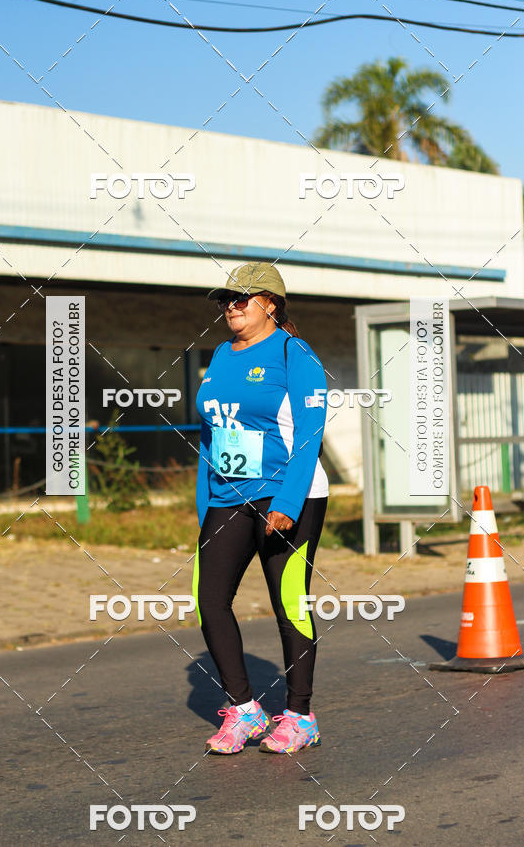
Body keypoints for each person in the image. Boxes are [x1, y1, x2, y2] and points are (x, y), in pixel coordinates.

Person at [193, 260, 329, 755]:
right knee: (209, 599)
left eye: (240, 299)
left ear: (269, 304)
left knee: (287, 600)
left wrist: (288, 502)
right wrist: (203, 499)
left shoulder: (296, 354)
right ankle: (246, 710)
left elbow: (311, 435)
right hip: (228, 495)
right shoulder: (223, 356)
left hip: (288, 493)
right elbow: (211, 434)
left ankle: (300, 715)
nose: (230, 307)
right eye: (226, 300)